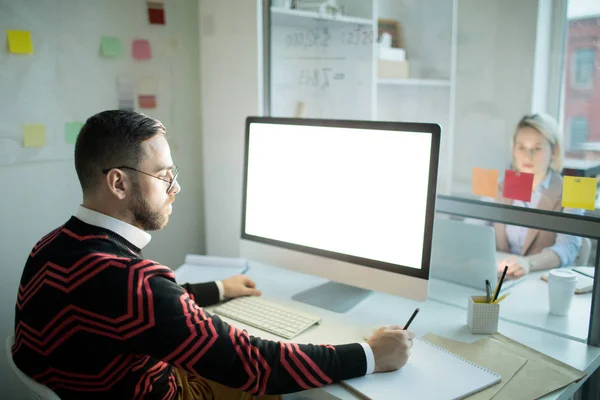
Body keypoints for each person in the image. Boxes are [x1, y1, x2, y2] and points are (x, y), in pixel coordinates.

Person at [12, 110, 414, 400]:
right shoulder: (136, 285)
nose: (176, 189)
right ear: (117, 183)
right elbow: (255, 365)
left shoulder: (50, 247)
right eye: (165, 175)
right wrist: (369, 355)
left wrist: (219, 288)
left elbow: (133, 308)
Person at [494, 113, 582, 280]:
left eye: (537, 148)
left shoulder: (571, 192)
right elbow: (474, 226)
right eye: (521, 147)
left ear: (554, 151)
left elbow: (567, 247)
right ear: (513, 150)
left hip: (540, 279)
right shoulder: (501, 186)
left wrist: (528, 263)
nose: (528, 156)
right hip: (501, 277)